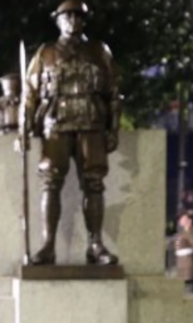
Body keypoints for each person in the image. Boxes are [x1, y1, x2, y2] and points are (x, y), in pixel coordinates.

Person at [23, 0, 119, 265]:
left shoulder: (99, 51)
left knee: (94, 183)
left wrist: (114, 129)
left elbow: (113, 93)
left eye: (78, 16)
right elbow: (30, 95)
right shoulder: (45, 53)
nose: (74, 21)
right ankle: (48, 245)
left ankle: (96, 245)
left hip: (91, 122)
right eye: (68, 16)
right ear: (58, 21)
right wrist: (25, 127)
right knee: (50, 182)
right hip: (56, 124)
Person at [175, 212, 193, 294]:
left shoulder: (191, 232)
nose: (181, 221)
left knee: (189, 290)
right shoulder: (183, 233)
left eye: (184, 219)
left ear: (189, 221)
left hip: (189, 265)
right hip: (182, 265)